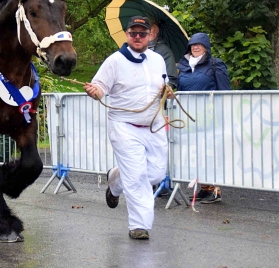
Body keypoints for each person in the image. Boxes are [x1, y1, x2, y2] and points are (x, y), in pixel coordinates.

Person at [83, 16, 170, 240]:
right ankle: (139, 225)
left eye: (142, 33)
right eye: (134, 33)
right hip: (125, 126)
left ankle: (115, 181)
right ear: (127, 35)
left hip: (154, 125)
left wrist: (167, 92)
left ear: (150, 35)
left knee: (157, 172)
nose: (138, 37)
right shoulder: (114, 61)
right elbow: (100, 86)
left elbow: (163, 85)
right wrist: (96, 92)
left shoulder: (158, 60)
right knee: (137, 176)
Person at [177, 32, 231, 203]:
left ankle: (216, 190)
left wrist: (224, 114)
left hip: (210, 117)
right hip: (189, 118)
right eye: (193, 45)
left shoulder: (215, 65)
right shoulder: (184, 67)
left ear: (206, 47)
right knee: (197, 153)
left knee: (211, 153)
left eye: (199, 44)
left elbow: (224, 91)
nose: (195, 47)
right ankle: (205, 188)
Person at [149, 22, 178, 89]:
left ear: (157, 31)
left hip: (158, 94)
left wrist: (167, 88)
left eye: (151, 29)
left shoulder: (164, 50)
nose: (149, 32)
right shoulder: (137, 49)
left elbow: (172, 77)